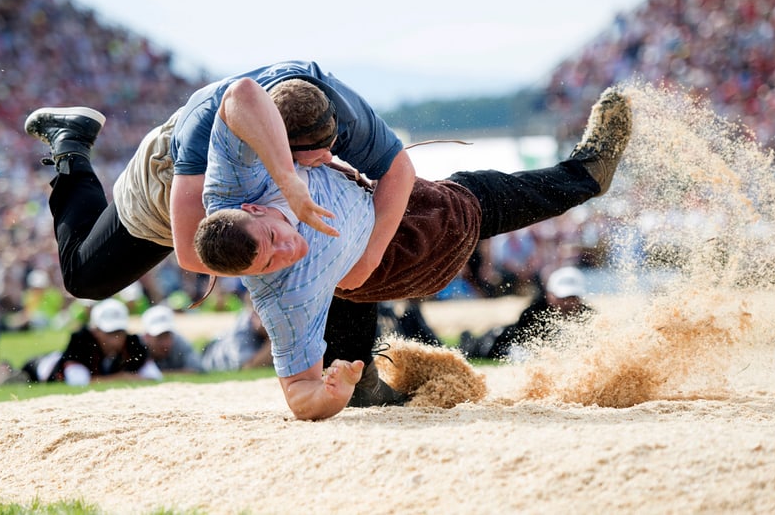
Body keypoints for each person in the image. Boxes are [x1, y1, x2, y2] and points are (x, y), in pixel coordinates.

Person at [193, 87, 632, 419]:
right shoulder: (280, 294)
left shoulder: (232, 186)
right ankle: (586, 175)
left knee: (340, 299)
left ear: (249, 208)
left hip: (361, 227)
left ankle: (365, 385)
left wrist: (288, 177)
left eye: (273, 239)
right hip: (403, 252)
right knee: (474, 197)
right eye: (270, 264)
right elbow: (299, 396)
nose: (287, 251)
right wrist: (332, 391)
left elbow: (243, 94)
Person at [23, 60, 414, 302]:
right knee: (85, 279)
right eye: (309, 156)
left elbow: (399, 170)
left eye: (331, 146)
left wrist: (367, 258)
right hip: (167, 185)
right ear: (279, 145)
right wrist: (280, 259)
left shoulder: (332, 108)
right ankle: (71, 144)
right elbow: (192, 253)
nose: (328, 158)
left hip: (264, 192)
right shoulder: (203, 128)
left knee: (330, 252)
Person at [458, 266, 593, 360]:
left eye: (572, 298)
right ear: (550, 294)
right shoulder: (534, 313)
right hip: (496, 341)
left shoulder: (590, 317)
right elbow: (520, 346)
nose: (567, 303)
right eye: (563, 298)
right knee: (473, 348)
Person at [23, 298, 162, 385]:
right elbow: (78, 382)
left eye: (119, 332)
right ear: (95, 330)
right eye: (110, 333)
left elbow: (154, 376)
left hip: (63, 361)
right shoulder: (81, 342)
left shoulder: (132, 343)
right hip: (41, 367)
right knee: (19, 378)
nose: (116, 339)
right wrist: (123, 377)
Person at [200, 304, 273, 372]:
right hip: (210, 357)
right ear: (253, 315)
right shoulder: (244, 327)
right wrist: (274, 340)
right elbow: (247, 367)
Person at [139, 304, 204, 373]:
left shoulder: (180, 343)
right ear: (146, 336)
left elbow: (197, 370)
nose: (165, 343)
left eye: (167, 336)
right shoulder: (137, 347)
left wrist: (156, 375)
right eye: (159, 337)